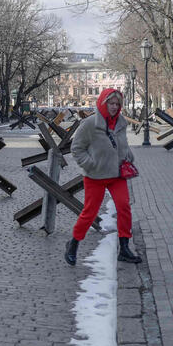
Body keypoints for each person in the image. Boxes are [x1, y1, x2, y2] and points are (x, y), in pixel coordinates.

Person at [64, 87, 142, 266]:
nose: (114, 107)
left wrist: (128, 154)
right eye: (111, 103)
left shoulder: (121, 122)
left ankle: (124, 248)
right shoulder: (90, 123)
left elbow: (121, 143)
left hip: (117, 174)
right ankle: (73, 244)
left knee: (124, 207)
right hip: (95, 176)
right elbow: (76, 148)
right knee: (89, 213)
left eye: (117, 104)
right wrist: (90, 164)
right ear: (103, 103)